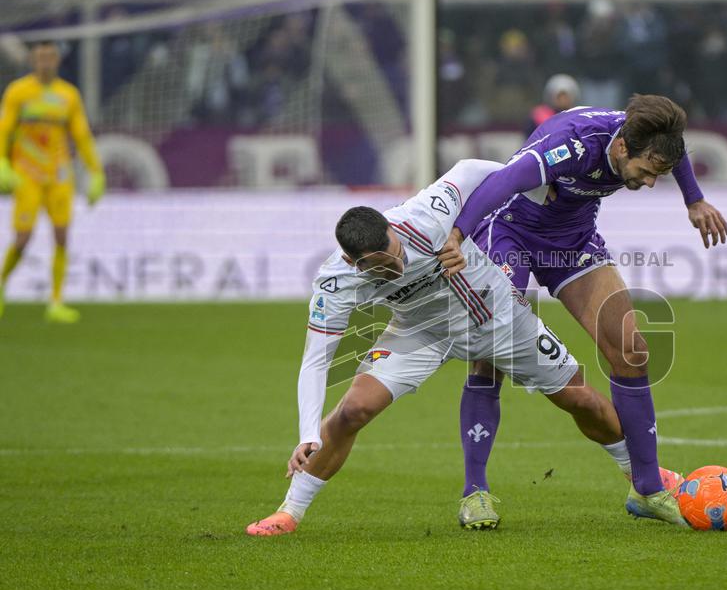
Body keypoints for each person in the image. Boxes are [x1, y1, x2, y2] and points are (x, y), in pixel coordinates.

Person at [245, 159, 687, 536]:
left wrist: (543, 182)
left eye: (395, 251)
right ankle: (290, 511)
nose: (397, 263)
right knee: (352, 411)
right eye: (382, 266)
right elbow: (315, 361)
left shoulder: (425, 215)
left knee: (580, 398)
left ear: (391, 229)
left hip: (496, 315)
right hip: (420, 330)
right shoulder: (335, 283)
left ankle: (641, 477)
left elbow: (474, 170)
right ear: (353, 262)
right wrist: (306, 432)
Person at [442, 95, 727, 524]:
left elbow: (676, 147)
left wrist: (694, 200)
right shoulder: (572, 143)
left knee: (631, 349)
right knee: (491, 357)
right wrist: (457, 235)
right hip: (510, 235)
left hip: (572, 239)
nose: (650, 182)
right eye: (647, 172)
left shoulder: (647, 138)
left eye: (659, 175)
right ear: (620, 149)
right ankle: (474, 492)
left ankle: (648, 489)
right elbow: (502, 183)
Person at [0, 41, 105, 322]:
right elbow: (4, 129)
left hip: (59, 175)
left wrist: (96, 171)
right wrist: (2, 162)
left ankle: (56, 302)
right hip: (27, 175)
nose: (45, 62)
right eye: (40, 57)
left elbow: (81, 136)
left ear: (56, 60)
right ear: (33, 60)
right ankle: (1, 284)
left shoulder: (68, 95)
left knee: (61, 236)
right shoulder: (19, 92)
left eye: (50, 57)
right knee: (23, 238)